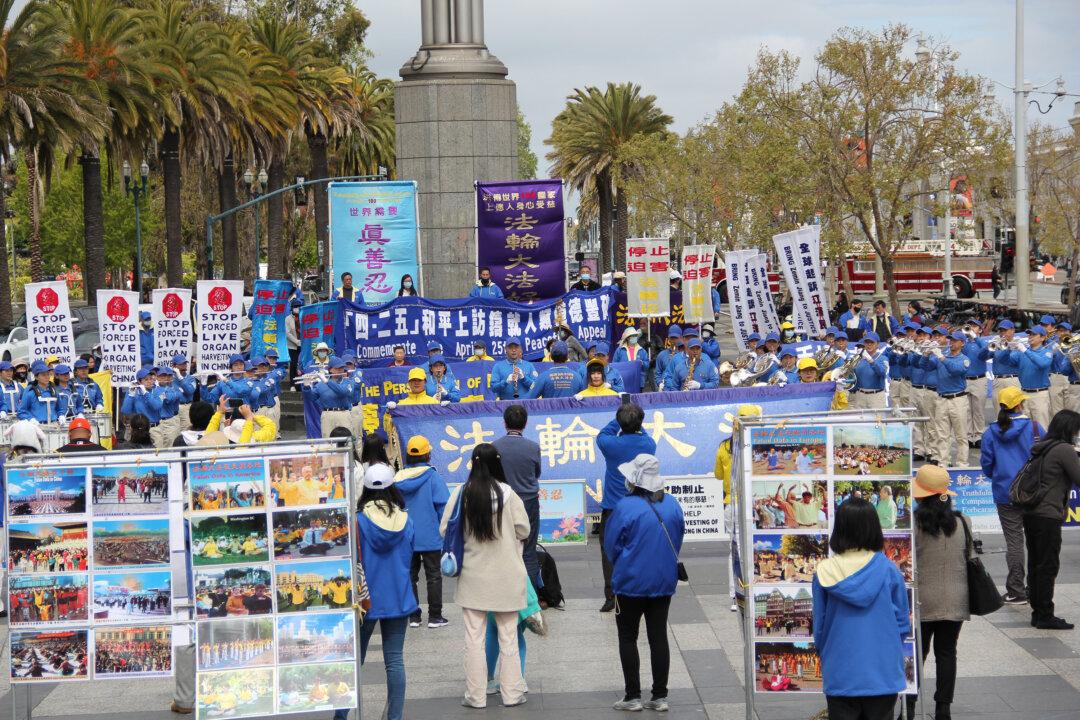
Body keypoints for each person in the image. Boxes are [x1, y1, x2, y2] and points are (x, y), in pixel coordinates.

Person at [439, 444, 529, 709]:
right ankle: (512, 694)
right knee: (508, 636)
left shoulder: (461, 493)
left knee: (474, 639)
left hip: (472, 577)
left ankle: (476, 696)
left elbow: (445, 528)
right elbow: (523, 528)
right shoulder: (509, 494)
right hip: (507, 576)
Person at [812, 498, 909, 720]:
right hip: (882, 669)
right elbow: (902, 622)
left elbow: (819, 625)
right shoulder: (888, 570)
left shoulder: (824, 572)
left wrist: (824, 652)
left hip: (840, 669)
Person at [604, 454, 685, 713]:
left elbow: (611, 546)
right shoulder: (672, 504)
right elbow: (678, 537)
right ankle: (660, 696)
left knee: (628, 636)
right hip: (663, 580)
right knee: (658, 635)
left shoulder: (624, 507)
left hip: (630, 582)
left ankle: (632, 696)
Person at [347, 463, 417, 720]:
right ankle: (394, 717)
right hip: (399, 597)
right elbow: (409, 555)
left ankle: (342, 715)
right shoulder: (406, 519)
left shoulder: (358, 521)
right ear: (392, 488)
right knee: (395, 661)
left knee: (355, 660)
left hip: (365, 601)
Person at [904, 464, 971, 720]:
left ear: (921, 495)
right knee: (947, 653)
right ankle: (943, 709)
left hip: (921, 600)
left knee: (916, 653)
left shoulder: (912, 525)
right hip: (956, 598)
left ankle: (909, 706)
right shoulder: (963, 522)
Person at [980, 386, 1043, 605]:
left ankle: (1016, 590)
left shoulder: (991, 432)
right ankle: (1037, 588)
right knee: (1036, 540)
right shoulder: (1035, 427)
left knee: (1014, 542)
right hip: (1033, 493)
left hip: (1005, 493)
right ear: (1019, 404)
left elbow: (987, 466)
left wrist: (1000, 476)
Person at [596, 402, 658, 612]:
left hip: (614, 509)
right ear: (640, 422)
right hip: (640, 507)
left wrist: (620, 417)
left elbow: (603, 432)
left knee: (609, 553)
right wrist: (634, 420)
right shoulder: (649, 445)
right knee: (640, 549)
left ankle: (611, 596)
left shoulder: (610, 444)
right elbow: (644, 433)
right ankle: (639, 591)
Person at [1022, 410, 1080, 629]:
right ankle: (1045, 614)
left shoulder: (1044, 446)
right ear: (1069, 429)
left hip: (1032, 513)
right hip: (1048, 514)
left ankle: (1038, 612)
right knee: (1048, 565)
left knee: (1036, 563)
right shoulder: (1065, 449)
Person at [394, 435, 450, 629]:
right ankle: (435, 617)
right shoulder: (433, 476)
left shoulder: (397, 478)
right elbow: (444, 506)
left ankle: (413, 617)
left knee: (410, 576)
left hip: (404, 536)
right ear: (428, 454)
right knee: (434, 575)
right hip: (430, 536)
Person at [493, 405, 543, 590]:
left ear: (505, 423)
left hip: (501, 501)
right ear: (526, 423)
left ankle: (505, 593)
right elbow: (536, 472)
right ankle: (531, 600)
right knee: (529, 551)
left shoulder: (494, 447)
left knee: (502, 549)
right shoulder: (533, 447)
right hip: (528, 501)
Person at [924, 331, 971, 466]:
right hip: (942, 398)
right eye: (951, 340)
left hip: (958, 399)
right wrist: (925, 355)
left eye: (955, 341)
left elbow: (955, 370)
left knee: (961, 435)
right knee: (942, 435)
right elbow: (924, 366)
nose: (952, 343)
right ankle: (943, 462)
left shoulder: (964, 359)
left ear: (962, 343)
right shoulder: (942, 356)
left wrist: (941, 357)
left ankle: (962, 464)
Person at [1013, 326, 1054, 429]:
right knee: (1025, 427)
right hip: (1023, 394)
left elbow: (1043, 364)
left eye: (1034, 334)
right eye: (1029, 334)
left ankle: (1043, 445)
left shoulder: (1047, 352)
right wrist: (1006, 348)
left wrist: (1025, 351)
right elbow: (1005, 360)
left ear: (1043, 338)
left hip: (1039, 394)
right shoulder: (1022, 352)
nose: (1030, 337)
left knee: (1041, 426)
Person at [313, 358, 357, 437]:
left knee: (347, 439)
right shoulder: (320, 384)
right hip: (327, 415)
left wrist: (326, 381)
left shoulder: (348, 381)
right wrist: (307, 387)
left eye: (342, 368)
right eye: (337, 368)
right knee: (327, 441)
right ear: (330, 370)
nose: (340, 370)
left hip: (343, 414)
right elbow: (312, 397)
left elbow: (342, 392)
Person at [206, 398, 276, 444]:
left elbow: (208, 436)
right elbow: (270, 426)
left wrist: (219, 413)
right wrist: (251, 416)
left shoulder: (220, 443)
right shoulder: (256, 437)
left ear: (230, 419)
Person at [850, 332, 887, 409]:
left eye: (872, 342)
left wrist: (871, 360)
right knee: (860, 421)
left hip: (876, 396)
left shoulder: (883, 358)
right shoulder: (858, 358)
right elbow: (853, 377)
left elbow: (882, 373)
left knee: (877, 420)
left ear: (878, 344)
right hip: (860, 395)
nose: (869, 344)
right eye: (867, 342)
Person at [286, 300, 302, 382]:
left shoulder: (303, 317)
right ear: (292, 308)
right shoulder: (288, 319)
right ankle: (292, 383)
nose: (297, 308)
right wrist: (297, 342)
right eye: (295, 307)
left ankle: (301, 383)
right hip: (292, 346)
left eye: (299, 307)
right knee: (293, 364)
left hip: (303, 345)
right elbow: (287, 333)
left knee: (302, 364)